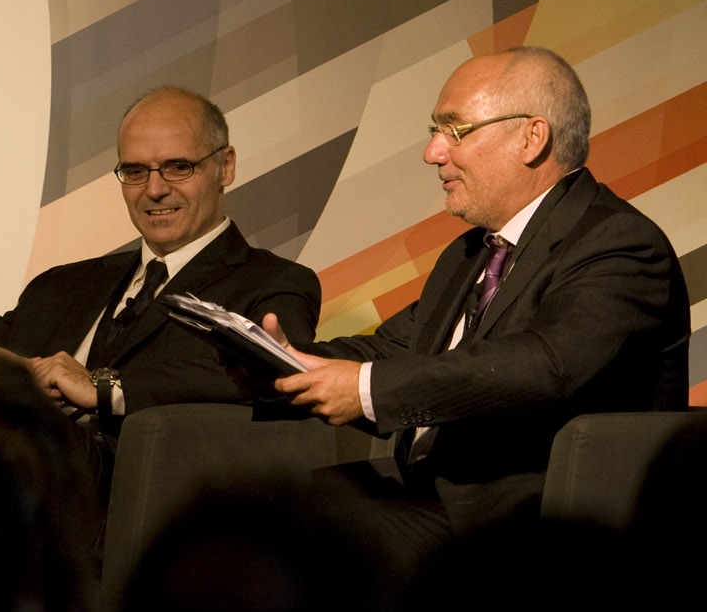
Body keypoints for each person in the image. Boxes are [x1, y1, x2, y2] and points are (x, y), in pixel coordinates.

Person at [268, 47, 690, 540]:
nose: (433, 152)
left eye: (456, 130)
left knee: (301, 544)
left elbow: (545, 365)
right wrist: (283, 361)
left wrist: (363, 390)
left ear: (532, 137)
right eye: (434, 131)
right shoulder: (473, 251)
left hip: (541, 522)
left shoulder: (618, 243)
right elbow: (395, 348)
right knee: (258, 511)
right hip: (440, 494)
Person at [0, 87, 319, 482]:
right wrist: (19, 374)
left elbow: (276, 370)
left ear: (225, 166)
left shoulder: (273, 282)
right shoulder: (64, 285)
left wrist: (104, 389)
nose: (155, 189)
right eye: (135, 171)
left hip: (140, 516)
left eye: (179, 166)